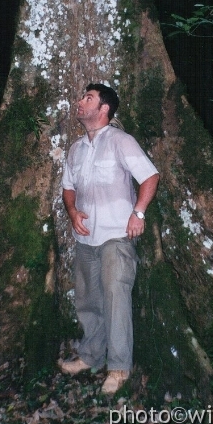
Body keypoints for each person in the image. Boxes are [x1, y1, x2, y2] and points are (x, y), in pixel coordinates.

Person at [59, 83, 159, 395]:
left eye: (87, 98)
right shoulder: (76, 149)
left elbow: (150, 175)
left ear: (104, 109)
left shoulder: (120, 141)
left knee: (116, 299)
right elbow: (68, 186)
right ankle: (90, 356)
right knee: (89, 300)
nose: (80, 102)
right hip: (86, 239)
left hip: (117, 236)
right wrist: (73, 211)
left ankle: (118, 368)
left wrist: (138, 213)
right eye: (81, 97)